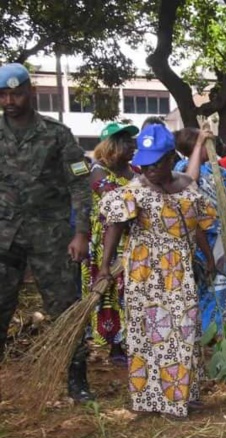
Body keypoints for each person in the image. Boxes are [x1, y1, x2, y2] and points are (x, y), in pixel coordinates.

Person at [97, 124, 216, 419]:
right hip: (143, 273)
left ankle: (180, 397)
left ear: (170, 158)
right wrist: (104, 267)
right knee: (146, 334)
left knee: (183, 332)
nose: (148, 169)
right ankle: (150, 399)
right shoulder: (133, 191)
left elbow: (197, 224)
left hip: (179, 272)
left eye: (156, 163)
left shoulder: (188, 185)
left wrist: (211, 259)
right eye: (144, 163)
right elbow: (115, 226)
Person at [0, 63, 94, 402]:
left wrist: (81, 232)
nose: (10, 100)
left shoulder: (56, 134)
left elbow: (80, 185)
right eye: (4, 94)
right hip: (4, 237)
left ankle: (76, 380)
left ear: (31, 92)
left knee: (66, 309)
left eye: (16, 93)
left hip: (51, 237)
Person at [81, 122, 139, 364]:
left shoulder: (135, 170)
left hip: (132, 239)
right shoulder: (99, 171)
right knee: (110, 293)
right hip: (106, 243)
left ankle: (130, 341)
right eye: (127, 142)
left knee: (129, 292)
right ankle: (115, 346)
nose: (133, 146)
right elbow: (118, 202)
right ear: (113, 146)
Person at [174, 128, 226, 337]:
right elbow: (189, 181)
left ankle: (219, 330)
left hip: (217, 236)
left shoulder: (212, 169)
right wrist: (198, 142)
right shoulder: (182, 167)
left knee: (220, 283)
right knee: (202, 282)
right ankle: (201, 330)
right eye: (205, 145)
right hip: (197, 238)